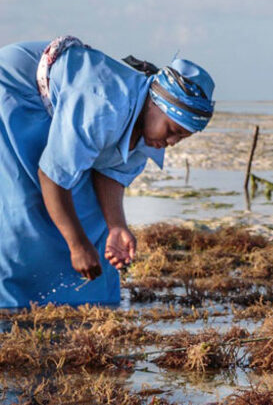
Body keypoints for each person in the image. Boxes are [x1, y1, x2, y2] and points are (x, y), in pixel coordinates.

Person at [0, 36, 215, 309]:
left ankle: (85, 305)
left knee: (90, 216)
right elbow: (52, 177)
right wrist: (77, 245)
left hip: (58, 106)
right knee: (23, 204)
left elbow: (110, 173)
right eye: (172, 130)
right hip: (14, 89)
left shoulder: (148, 131)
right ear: (155, 103)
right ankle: (12, 308)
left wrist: (117, 226)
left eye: (181, 137)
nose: (171, 142)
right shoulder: (103, 107)